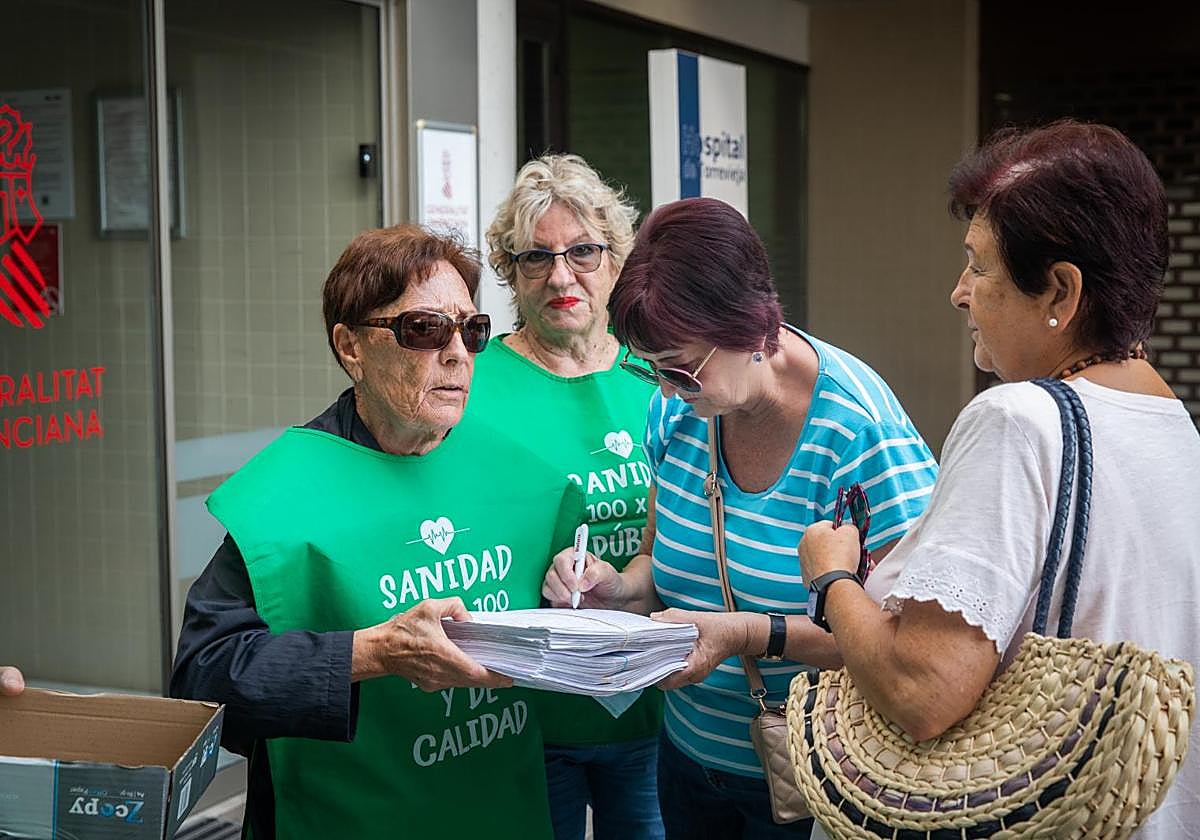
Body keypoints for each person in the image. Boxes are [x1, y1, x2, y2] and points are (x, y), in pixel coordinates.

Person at [798, 120, 1200, 840]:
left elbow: (923, 692)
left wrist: (832, 578)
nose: (959, 293)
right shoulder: (1173, 424)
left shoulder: (1017, 420)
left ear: (1061, 291)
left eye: (978, 267)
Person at [543, 197, 939, 839]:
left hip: (818, 774)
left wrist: (745, 634)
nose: (666, 390)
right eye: (652, 369)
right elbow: (659, 562)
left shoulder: (860, 434)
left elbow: (907, 645)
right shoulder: (679, 410)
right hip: (687, 756)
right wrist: (614, 589)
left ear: (752, 330)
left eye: (680, 369)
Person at [170, 225, 582, 840]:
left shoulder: (520, 472)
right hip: (344, 818)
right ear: (352, 347)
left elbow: (559, 620)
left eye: (471, 330)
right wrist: (375, 652)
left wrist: (582, 591)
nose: (457, 353)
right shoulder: (286, 495)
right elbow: (202, 679)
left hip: (501, 806)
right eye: (425, 329)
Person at [473, 153, 663, 840]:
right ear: (510, 271)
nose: (560, 276)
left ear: (616, 258)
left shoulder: (661, 372)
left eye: (582, 251)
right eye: (536, 257)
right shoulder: (474, 386)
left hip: (652, 703)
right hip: (526, 709)